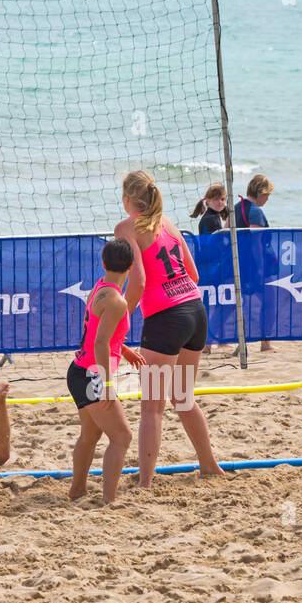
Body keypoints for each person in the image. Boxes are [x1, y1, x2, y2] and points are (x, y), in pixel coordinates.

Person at [114, 170, 223, 488]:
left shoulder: (125, 227)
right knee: (183, 397)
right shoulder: (169, 223)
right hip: (195, 311)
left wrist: (123, 318)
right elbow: (194, 274)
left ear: (127, 200)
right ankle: (209, 465)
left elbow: (139, 282)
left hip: (166, 319)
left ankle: (145, 482)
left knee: (152, 407)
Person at [66, 239, 146, 503]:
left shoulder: (98, 288)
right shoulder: (116, 301)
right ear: (132, 267)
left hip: (79, 370)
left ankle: (77, 490)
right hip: (92, 376)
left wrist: (123, 350)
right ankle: (109, 500)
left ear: (103, 263)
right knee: (122, 436)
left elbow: (99, 336)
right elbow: (100, 343)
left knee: (90, 434)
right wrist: (108, 386)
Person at [234, 174, 276, 352]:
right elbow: (256, 243)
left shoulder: (235, 208)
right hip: (253, 265)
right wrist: (259, 268)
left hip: (238, 262)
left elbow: (226, 232)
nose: (268, 198)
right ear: (260, 192)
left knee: (234, 304)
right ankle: (265, 343)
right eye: (267, 194)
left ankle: (211, 343)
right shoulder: (255, 211)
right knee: (269, 301)